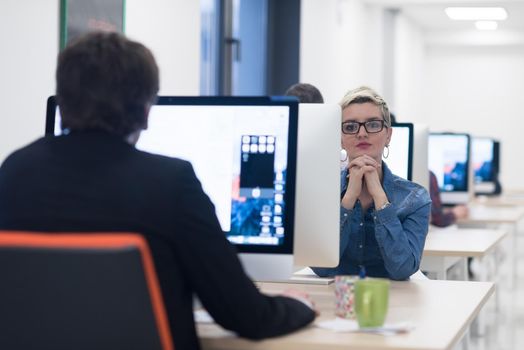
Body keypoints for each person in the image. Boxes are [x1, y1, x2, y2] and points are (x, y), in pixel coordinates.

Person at [0, 32, 316, 350]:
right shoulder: (170, 183)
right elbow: (246, 316)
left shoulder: (13, 172)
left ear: (63, 99)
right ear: (146, 110)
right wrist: (299, 305)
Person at [312, 86, 431, 280]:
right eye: (350, 127)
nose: (361, 133)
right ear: (340, 138)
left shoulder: (415, 199)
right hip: (338, 300)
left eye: (373, 124)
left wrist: (380, 198)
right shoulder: (323, 192)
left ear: (388, 135)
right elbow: (322, 267)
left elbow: (403, 269)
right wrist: (348, 198)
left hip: (396, 302)